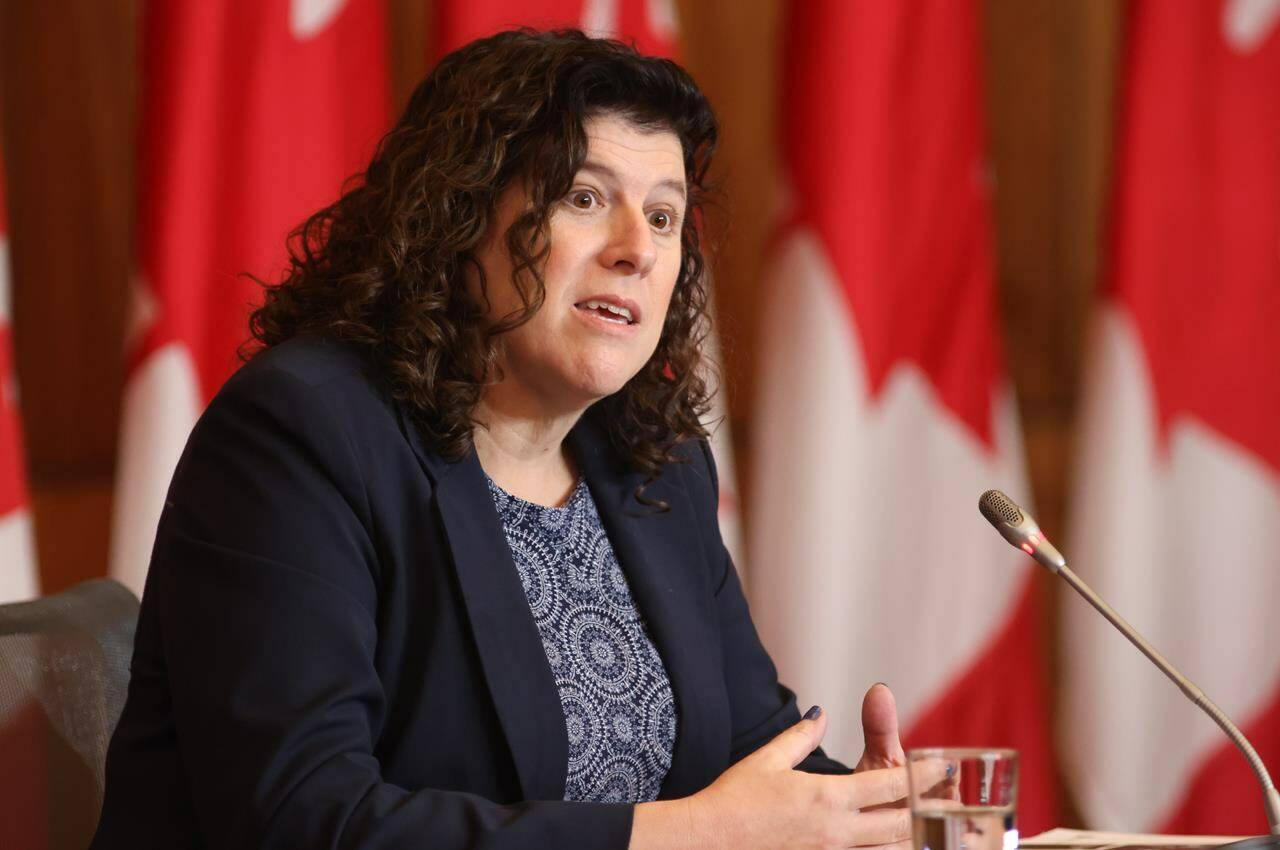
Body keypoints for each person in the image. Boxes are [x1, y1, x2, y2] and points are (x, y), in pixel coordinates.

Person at [91, 28, 926, 850]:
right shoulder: (303, 434)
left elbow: (750, 762)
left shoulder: (655, 468)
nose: (638, 250)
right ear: (459, 219)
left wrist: (869, 814)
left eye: (666, 216)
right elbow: (306, 819)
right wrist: (680, 835)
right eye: (585, 198)